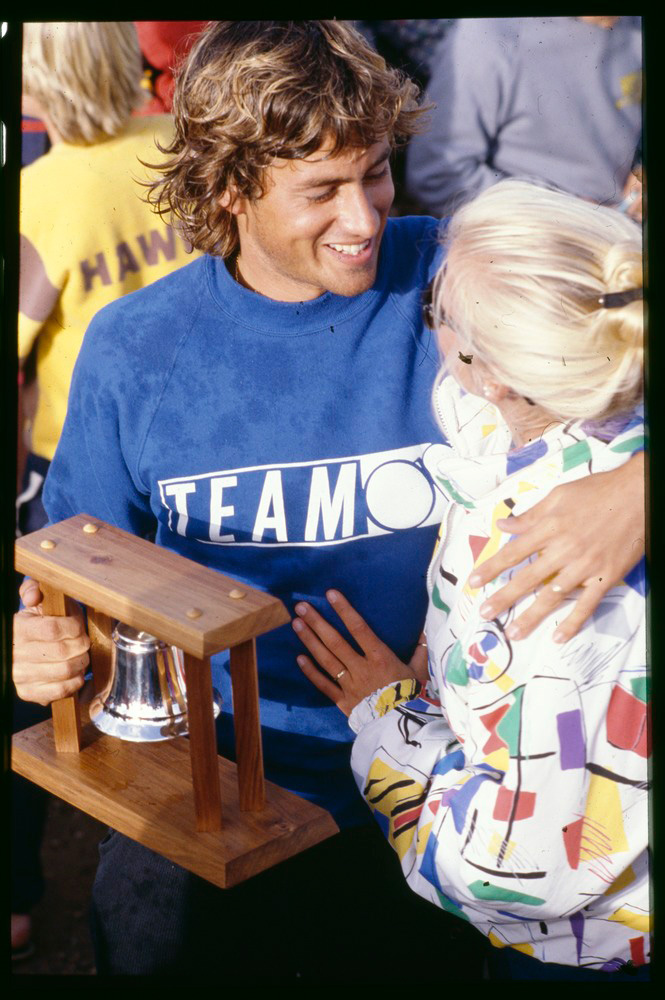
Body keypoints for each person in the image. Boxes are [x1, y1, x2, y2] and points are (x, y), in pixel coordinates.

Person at [13, 21, 644, 980]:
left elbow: (623, 323)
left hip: (436, 800)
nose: (363, 220)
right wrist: (41, 642)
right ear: (229, 188)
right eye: (320, 191)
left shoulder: (457, 276)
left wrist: (639, 485)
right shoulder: (133, 349)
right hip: (207, 793)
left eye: (377, 174)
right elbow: (73, 570)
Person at [294, 180, 649, 981]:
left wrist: (390, 726)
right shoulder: (608, 414)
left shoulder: (536, 571)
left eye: (437, 315)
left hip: (586, 953)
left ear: (491, 376)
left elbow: (514, 866)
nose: (428, 322)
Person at [13, 21, 197, 963]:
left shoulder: (37, 195)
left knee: (39, 667)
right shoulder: (175, 147)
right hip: (187, 448)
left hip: (73, 472)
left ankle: (16, 892)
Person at [405, 16, 643, 219]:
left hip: (622, 228)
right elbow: (436, 173)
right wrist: (564, 214)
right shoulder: (488, 34)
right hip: (535, 248)